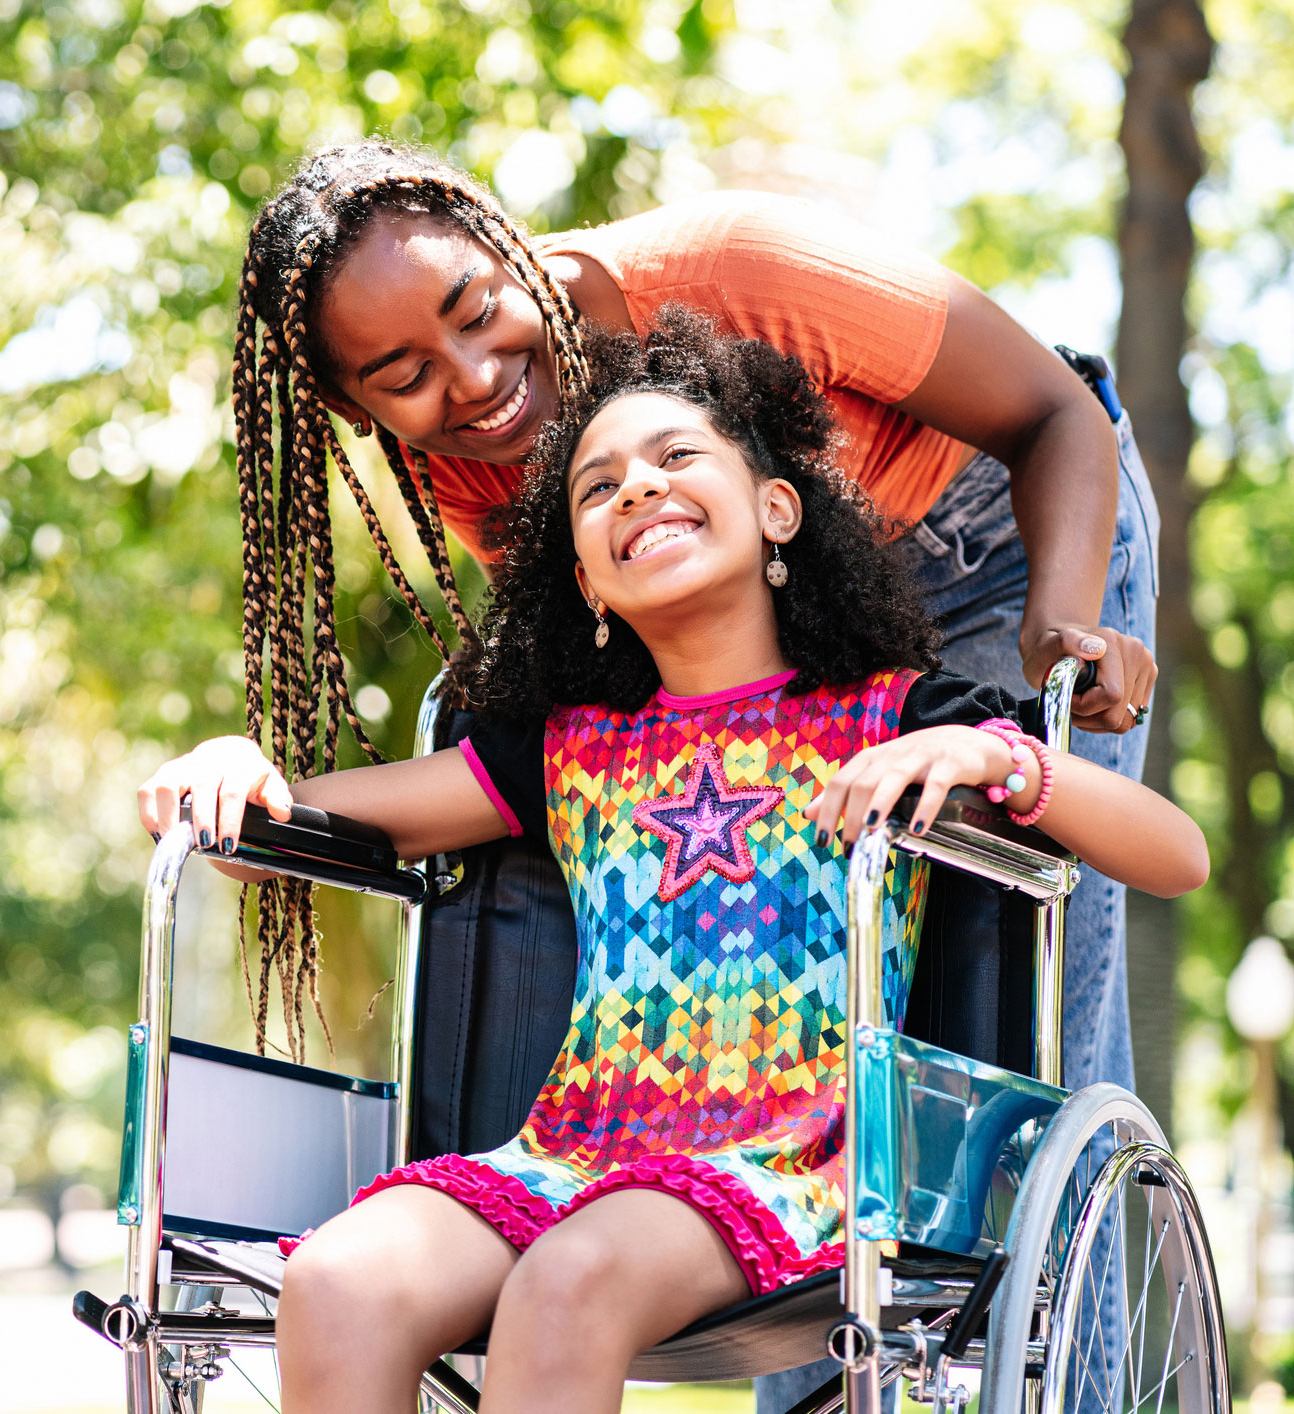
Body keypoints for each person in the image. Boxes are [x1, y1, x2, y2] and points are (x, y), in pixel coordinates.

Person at [145, 312, 1203, 1414]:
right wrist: (235, 770)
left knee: (568, 1277)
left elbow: (1177, 854)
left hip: (802, 1159)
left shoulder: (901, 716)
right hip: (574, 1149)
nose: (637, 490)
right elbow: (295, 827)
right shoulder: (564, 749)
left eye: (676, 457)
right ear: (588, 581)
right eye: (597, 489)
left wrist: (997, 754)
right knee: (339, 1276)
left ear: (776, 508)